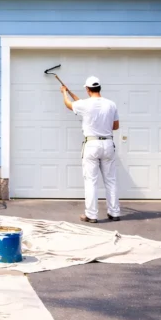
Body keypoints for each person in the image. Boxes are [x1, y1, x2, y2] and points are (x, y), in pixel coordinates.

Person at [60, 75, 121, 224]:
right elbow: (115, 126)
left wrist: (64, 92)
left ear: (87, 89)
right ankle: (114, 213)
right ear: (99, 88)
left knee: (91, 181)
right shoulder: (111, 104)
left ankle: (92, 215)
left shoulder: (85, 105)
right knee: (111, 181)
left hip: (92, 145)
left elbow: (69, 104)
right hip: (108, 144)